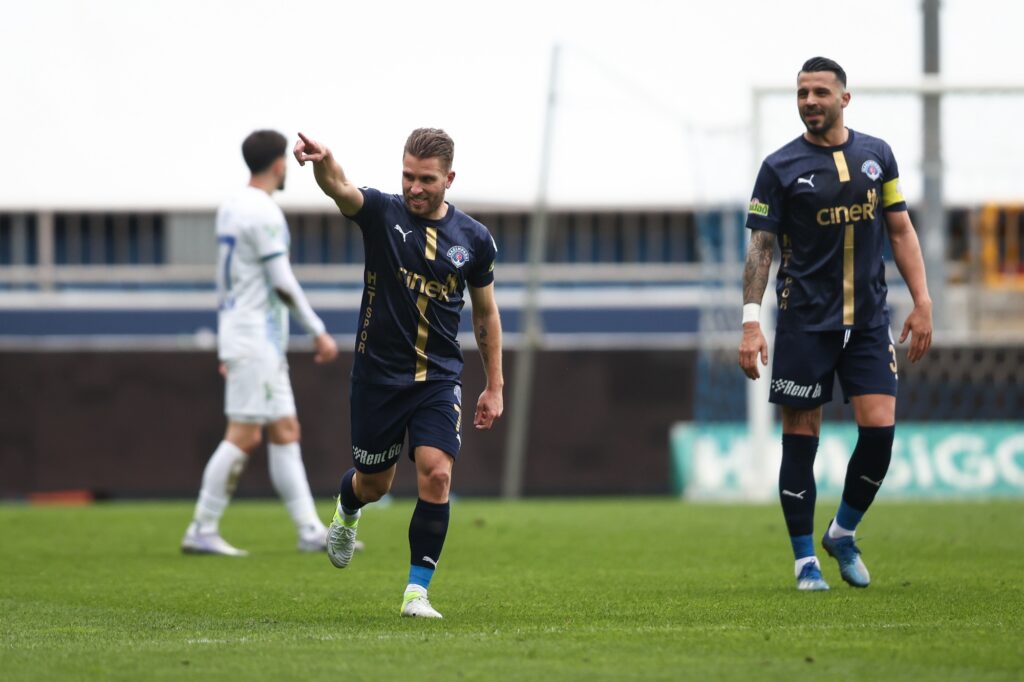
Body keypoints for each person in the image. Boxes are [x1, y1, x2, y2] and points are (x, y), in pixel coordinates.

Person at [738, 57, 933, 591]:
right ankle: (805, 560)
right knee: (801, 437)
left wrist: (922, 300)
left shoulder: (877, 155)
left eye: (820, 92)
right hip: (805, 322)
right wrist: (751, 323)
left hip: (868, 321)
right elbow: (760, 249)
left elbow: (901, 230)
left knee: (880, 433)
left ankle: (842, 532)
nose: (810, 101)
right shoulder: (779, 167)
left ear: (844, 98)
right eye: (802, 93)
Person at [294, 127, 503, 619]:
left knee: (438, 473)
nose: (414, 187)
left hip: (438, 378)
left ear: (449, 179)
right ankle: (348, 507)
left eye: (426, 179)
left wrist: (494, 385)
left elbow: (486, 313)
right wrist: (324, 161)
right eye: (408, 176)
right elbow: (340, 187)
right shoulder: (381, 213)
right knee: (374, 485)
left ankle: (416, 593)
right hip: (377, 378)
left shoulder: (474, 240)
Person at [182, 129, 345, 557]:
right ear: (278, 164)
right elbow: (281, 281)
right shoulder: (264, 212)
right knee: (244, 435)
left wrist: (227, 341)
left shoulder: (232, 207)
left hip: (251, 336)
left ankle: (309, 530)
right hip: (255, 337)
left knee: (285, 429)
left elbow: (232, 279)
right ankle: (202, 527)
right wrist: (317, 330)